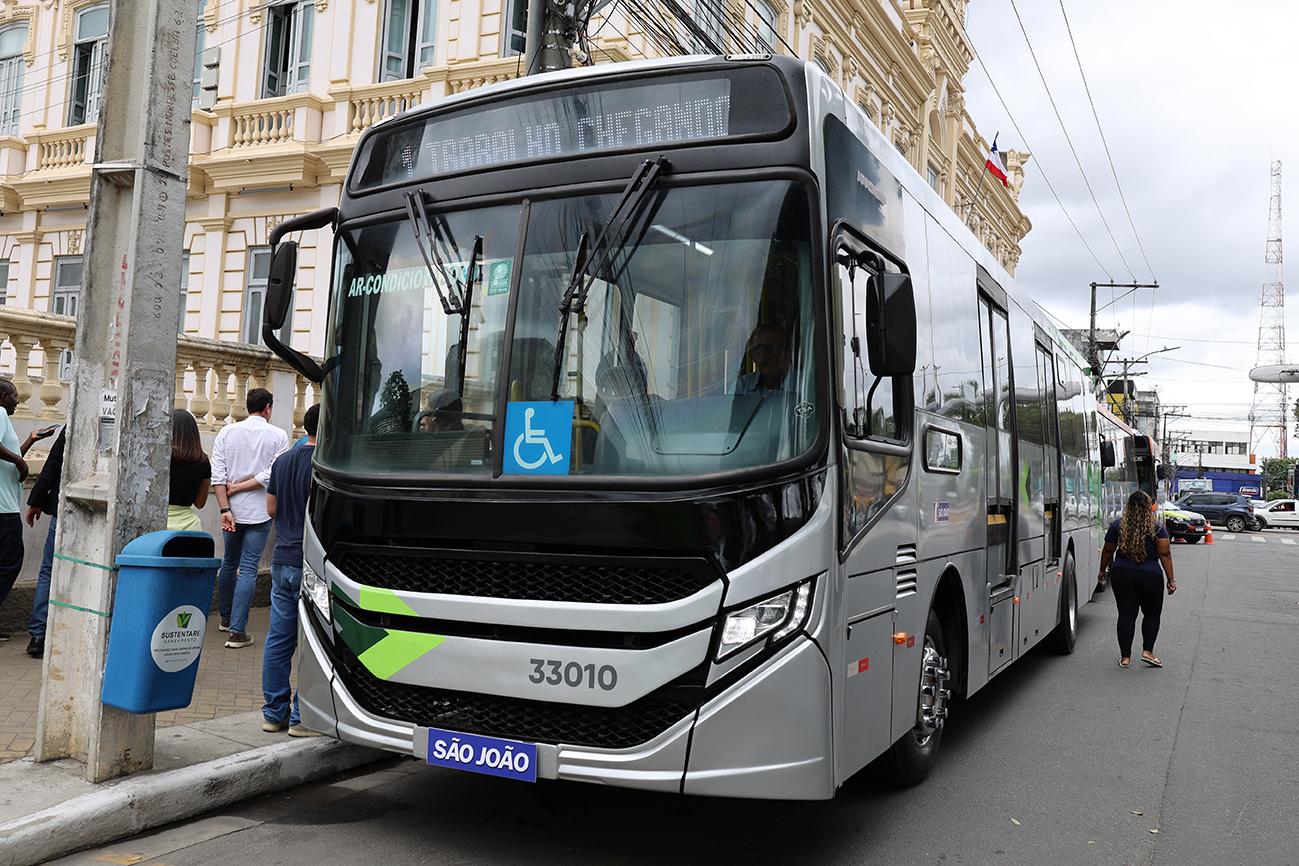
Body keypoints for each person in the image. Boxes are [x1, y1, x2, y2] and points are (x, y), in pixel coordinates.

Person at [210, 388, 288, 649]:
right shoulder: (278, 435)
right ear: (268, 407)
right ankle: (237, 631)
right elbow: (271, 474)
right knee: (249, 569)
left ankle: (225, 617)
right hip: (259, 512)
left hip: (230, 510)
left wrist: (225, 508)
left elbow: (218, 475)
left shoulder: (226, 432)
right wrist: (243, 486)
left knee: (229, 564)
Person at [260, 404, 321, 737]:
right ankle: (301, 717)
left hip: (282, 557)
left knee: (278, 641)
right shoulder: (325, 464)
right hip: (312, 563)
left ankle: (273, 713)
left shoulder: (282, 460)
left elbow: (271, 507)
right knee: (312, 641)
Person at [1097, 490, 1177, 668]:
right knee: (1152, 614)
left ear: (1128, 507)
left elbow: (1108, 550)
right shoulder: (1157, 528)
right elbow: (1165, 554)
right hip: (1150, 576)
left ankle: (1125, 658)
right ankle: (1147, 652)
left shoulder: (1118, 526)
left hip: (1122, 574)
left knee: (1126, 615)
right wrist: (1171, 580)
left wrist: (1102, 571)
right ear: (1149, 507)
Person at [0, 380, 54, 641]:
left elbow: (8, 460)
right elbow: (11, 459)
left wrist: (31, 440)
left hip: (6, 502)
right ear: (2, 396)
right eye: (13, 396)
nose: (17, 401)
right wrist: (20, 461)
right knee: (11, 562)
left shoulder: (3, 419)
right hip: (4, 508)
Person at [24, 426, 65, 658]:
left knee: (49, 570)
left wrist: (37, 501)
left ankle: (38, 635)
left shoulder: (75, 424)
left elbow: (53, 463)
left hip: (63, 507)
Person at [168, 409, 211, 531]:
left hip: (160, 526)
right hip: (190, 528)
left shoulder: (162, 458)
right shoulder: (203, 461)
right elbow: (200, 503)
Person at [735, 322, 791, 395]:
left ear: (788, 352)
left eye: (775, 348)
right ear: (753, 356)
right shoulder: (742, 385)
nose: (768, 354)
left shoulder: (804, 384)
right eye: (760, 349)